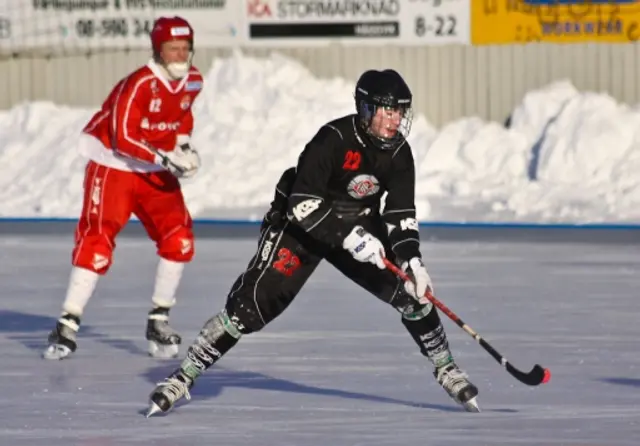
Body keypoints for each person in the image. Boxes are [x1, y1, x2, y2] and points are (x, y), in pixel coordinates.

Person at [145, 69, 479, 416]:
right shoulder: (332, 140)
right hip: (300, 225)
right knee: (249, 308)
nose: (395, 120)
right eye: (387, 110)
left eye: (399, 112)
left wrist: (413, 261)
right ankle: (184, 376)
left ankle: (447, 368)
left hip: (359, 226)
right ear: (366, 109)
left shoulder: (399, 153)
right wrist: (347, 236)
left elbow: (400, 214)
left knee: (411, 291)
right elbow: (302, 203)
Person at [43, 16, 204, 361]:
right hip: (114, 165)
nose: (179, 55)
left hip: (154, 167)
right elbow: (123, 137)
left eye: (184, 48)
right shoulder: (139, 84)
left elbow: (182, 118)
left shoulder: (193, 81)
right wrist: (166, 159)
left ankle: (159, 319)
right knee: (98, 242)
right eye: (171, 48)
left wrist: (185, 147)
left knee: (179, 238)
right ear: (157, 50)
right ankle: (67, 323)